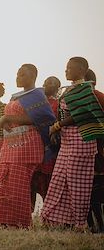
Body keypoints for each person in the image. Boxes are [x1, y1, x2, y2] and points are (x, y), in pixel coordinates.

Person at [0, 64, 56, 228]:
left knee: (18, 184)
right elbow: (10, 116)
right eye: (17, 74)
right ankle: (1, 220)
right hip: (10, 144)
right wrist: (5, 121)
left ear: (33, 76)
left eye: (22, 74)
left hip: (27, 144)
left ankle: (19, 222)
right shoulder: (16, 96)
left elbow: (46, 119)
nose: (18, 77)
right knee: (3, 180)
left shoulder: (37, 95)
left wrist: (8, 119)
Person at [41, 57, 104, 229]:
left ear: (82, 69)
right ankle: (56, 220)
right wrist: (58, 128)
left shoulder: (85, 89)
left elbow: (82, 114)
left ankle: (79, 224)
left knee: (78, 184)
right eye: (66, 67)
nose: (66, 70)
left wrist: (57, 125)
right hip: (68, 142)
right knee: (60, 180)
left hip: (81, 141)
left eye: (70, 68)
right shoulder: (70, 89)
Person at [30, 76, 61, 211]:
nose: (46, 85)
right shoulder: (37, 103)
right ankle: (27, 215)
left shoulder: (58, 104)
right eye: (45, 82)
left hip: (50, 149)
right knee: (31, 181)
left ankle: (47, 215)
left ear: (57, 87)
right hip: (35, 146)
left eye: (50, 83)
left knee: (47, 183)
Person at [85, 69, 104, 233]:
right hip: (94, 150)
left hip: (95, 151)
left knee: (92, 191)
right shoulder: (98, 96)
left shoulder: (96, 97)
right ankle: (95, 227)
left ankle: (95, 227)